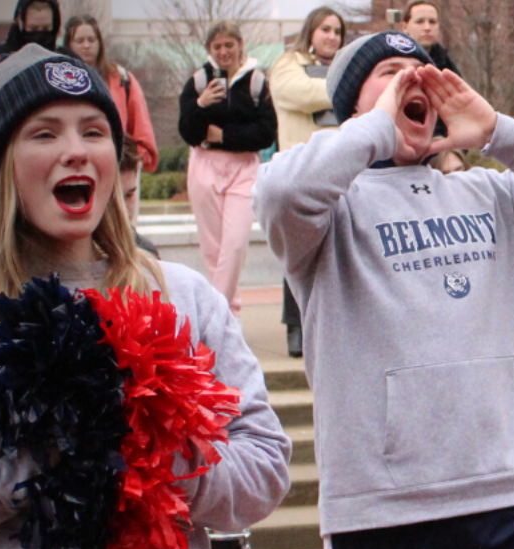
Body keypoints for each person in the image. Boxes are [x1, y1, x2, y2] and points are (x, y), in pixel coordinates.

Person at [254, 31, 514, 549]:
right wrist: (377, 127)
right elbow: (280, 194)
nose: (413, 79)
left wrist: (499, 132)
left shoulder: (491, 194)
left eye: (421, 68)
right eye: (389, 72)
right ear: (355, 103)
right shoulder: (327, 213)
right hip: (384, 511)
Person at [0, 43, 291, 549]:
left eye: (93, 131)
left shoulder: (184, 297)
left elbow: (267, 466)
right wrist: (26, 466)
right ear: (1, 165)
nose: (76, 152)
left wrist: (160, 453)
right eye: (44, 134)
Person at [177, 21, 277, 316]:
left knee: (234, 245)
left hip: (243, 167)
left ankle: (213, 315)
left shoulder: (257, 82)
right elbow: (188, 130)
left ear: (240, 45)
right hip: (205, 166)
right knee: (213, 248)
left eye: (229, 45)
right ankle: (229, 314)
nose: (224, 51)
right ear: (209, 50)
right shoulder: (198, 82)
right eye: (217, 46)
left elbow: (266, 132)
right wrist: (200, 104)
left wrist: (224, 136)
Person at [270, 6, 346, 358]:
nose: (331, 36)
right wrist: (345, 87)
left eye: (337, 31)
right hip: (301, 172)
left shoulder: (344, 64)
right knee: (299, 250)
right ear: (311, 31)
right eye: (325, 29)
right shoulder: (290, 62)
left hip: (343, 173)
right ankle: (296, 326)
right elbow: (294, 93)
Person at [64, 15, 158, 182]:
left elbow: (141, 127)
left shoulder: (121, 79)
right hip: (75, 166)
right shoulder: (57, 82)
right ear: (68, 44)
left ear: (100, 43)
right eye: (80, 40)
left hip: (120, 168)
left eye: (91, 40)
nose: (86, 45)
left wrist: (134, 158)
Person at [0, 0, 60, 113]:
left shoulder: (65, 60)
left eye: (46, 29)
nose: (40, 35)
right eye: (33, 29)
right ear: (20, 24)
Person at [403, 1, 457, 74]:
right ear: (405, 27)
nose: (427, 28)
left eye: (432, 22)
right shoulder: (395, 62)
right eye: (420, 22)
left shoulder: (447, 66)